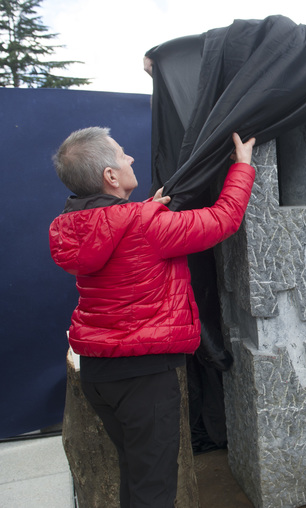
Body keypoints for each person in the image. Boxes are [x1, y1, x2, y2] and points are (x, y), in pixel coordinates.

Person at [49, 127, 256, 507]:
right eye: (122, 154)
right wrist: (242, 167)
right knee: (155, 491)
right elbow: (223, 219)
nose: (129, 158)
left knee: (136, 475)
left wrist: (146, 209)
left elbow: (121, 238)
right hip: (142, 379)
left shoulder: (72, 227)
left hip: (99, 375)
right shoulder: (145, 226)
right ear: (110, 176)